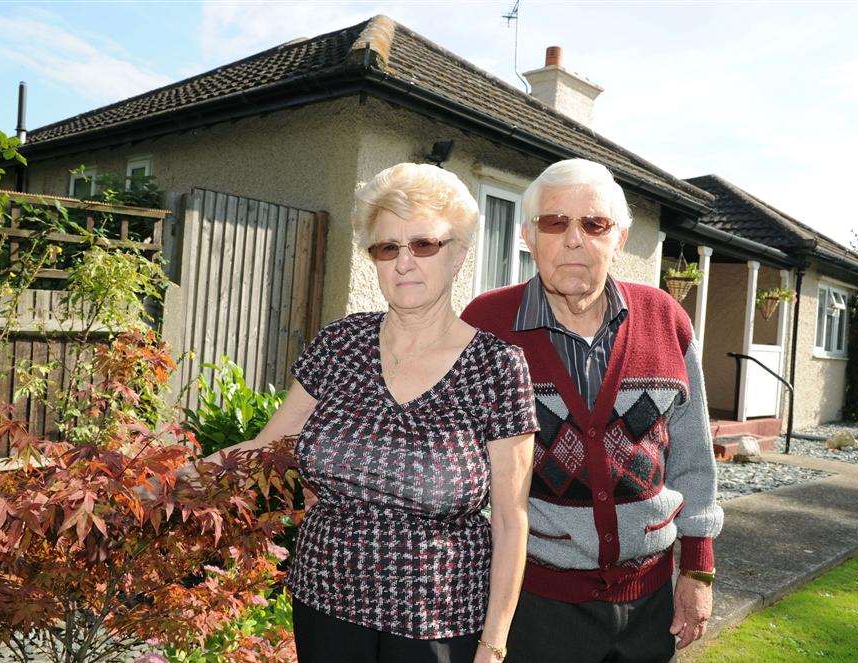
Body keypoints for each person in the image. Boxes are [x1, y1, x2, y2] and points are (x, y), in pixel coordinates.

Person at [203, 163, 539, 663]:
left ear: (459, 255)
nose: (404, 262)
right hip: (324, 602)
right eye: (387, 248)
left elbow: (511, 521)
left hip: (437, 618)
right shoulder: (339, 344)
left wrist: (493, 643)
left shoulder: (497, 367)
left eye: (424, 244)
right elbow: (261, 448)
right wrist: (164, 478)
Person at [461, 158, 724, 663]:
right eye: (555, 222)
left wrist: (697, 568)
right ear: (527, 235)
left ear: (619, 237)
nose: (574, 239)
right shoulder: (486, 325)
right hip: (536, 603)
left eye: (594, 223)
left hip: (649, 601)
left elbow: (694, 458)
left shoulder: (665, 319)